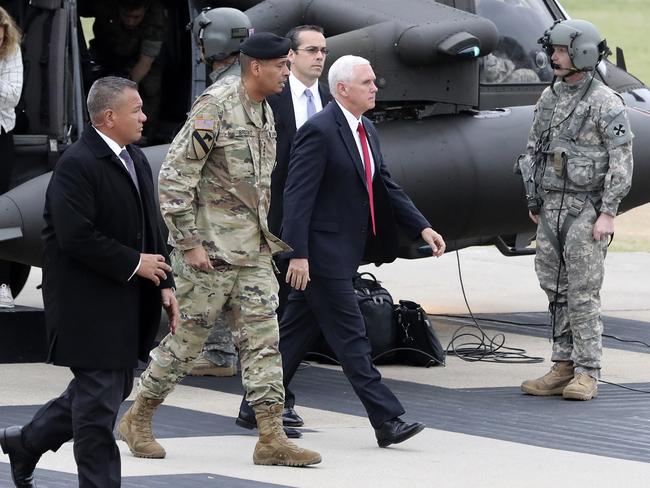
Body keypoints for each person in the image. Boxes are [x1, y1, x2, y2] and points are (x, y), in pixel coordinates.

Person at [117, 32, 322, 467]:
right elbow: (174, 177)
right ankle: (138, 415)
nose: (288, 73)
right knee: (185, 344)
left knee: (265, 344)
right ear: (256, 67)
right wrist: (188, 244)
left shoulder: (264, 110)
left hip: (253, 254)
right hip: (209, 254)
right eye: (282, 66)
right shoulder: (216, 107)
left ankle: (271, 437)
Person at [245, 54, 446, 448]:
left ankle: (253, 406)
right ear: (342, 89)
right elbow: (297, 196)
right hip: (320, 256)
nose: (375, 87)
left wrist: (422, 226)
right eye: (368, 82)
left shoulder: (366, 128)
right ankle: (387, 419)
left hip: (343, 251)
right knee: (352, 338)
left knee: (293, 334)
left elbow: (385, 185)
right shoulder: (320, 131)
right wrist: (297, 253)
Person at [0, 76, 179, 488]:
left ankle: (27, 442)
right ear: (110, 116)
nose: (145, 116)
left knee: (103, 394)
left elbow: (149, 225)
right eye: (136, 110)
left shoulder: (131, 157)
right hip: (88, 307)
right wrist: (135, 263)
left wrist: (164, 282)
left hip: (125, 301)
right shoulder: (77, 164)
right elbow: (74, 235)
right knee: (98, 413)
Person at [518, 19, 633, 401]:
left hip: (587, 210)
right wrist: (534, 199)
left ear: (581, 52)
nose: (554, 57)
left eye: (562, 51)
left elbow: (621, 161)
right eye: (554, 50)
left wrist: (609, 212)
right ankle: (562, 364)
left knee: (583, 291)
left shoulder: (605, 102)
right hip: (551, 207)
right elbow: (534, 150)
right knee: (555, 289)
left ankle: (588, 371)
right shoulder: (550, 98)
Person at [236, 24, 333, 433]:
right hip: (268, 224)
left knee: (295, 314)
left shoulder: (329, 101)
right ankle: (272, 403)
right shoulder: (268, 101)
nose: (319, 57)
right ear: (289, 57)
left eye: (323, 50)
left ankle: (264, 403)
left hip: (311, 227)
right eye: (311, 50)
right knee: (272, 316)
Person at [186, 6, 253, 378]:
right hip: (245, 207)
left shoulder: (217, 96)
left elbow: (192, 158)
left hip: (218, 205)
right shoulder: (247, 85)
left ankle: (215, 351)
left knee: (210, 277)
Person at [89, 0, 167, 143]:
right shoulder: (104, 7)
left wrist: (124, 89)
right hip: (107, 51)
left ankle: (145, 136)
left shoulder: (155, 18)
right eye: (126, 16)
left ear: (145, 9)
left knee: (150, 87)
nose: (130, 22)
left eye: (136, 17)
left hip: (140, 56)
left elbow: (145, 62)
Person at [0, 6, 22, 308]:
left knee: (1, 215)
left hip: (1, 136)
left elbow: (11, 94)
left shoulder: (11, 52)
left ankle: (2, 282)